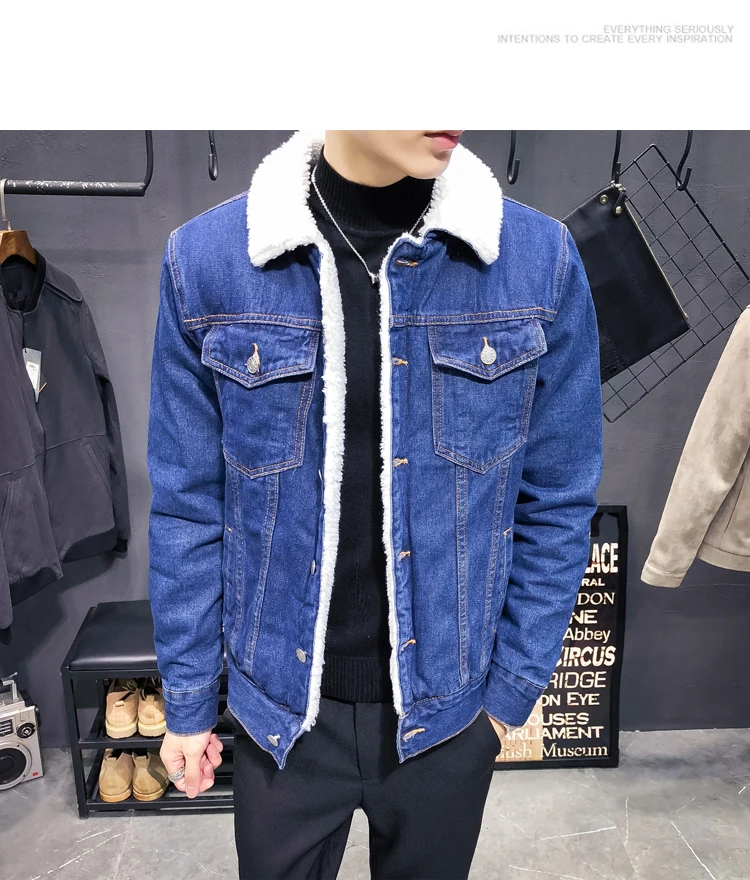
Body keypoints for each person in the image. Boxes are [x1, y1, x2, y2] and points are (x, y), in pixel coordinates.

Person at [147, 130, 604, 879]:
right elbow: (188, 507)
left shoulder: (536, 261)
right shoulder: (208, 262)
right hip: (279, 718)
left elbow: (557, 499)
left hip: (447, 718)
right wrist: (191, 703)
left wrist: (504, 703)